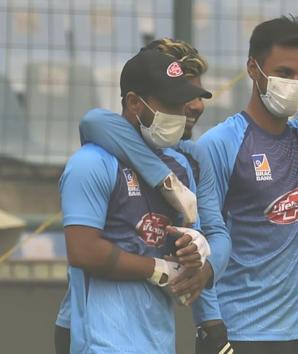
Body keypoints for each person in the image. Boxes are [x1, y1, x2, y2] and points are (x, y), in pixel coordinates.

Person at [78, 15, 298, 354]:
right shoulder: (220, 145)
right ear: (253, 70)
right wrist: (211, 327)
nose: (294, 84)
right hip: (243, 333)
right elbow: (204, 237)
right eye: (283, 73)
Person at [54, 38, 214, 354]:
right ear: (134, 103)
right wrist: (156, 270)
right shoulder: (91, 163)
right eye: (167, 104)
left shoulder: (180, 165)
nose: (179, 113)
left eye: (180, 103)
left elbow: (175, 245)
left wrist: (194, 251)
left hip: (159, 340)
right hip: (100, 342)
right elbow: (83, 251)